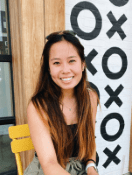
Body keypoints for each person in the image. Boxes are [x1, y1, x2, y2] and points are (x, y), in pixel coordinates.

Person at [24, 30, 99, 175]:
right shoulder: (38, 106)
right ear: (49, 68)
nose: (65, 70)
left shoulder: (91, 98)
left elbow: (90, 141)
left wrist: (91, 166)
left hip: (80, 169)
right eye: (57, 63)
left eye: (72, 61)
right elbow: (49, 163)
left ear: (82, 64)